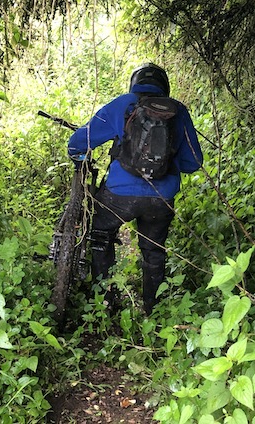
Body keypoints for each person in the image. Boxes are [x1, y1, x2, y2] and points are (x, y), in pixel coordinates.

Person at [67, 63, 202, 314]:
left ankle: (104, 303)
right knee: (153, 249)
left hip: (120, 195)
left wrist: (79, 157)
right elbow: (193, 163)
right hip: (162, 198)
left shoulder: (123, 105)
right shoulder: (179, 112)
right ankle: (154, 310)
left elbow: (78, 142)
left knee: (100, 233)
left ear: (135, 83)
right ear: (164, 85)